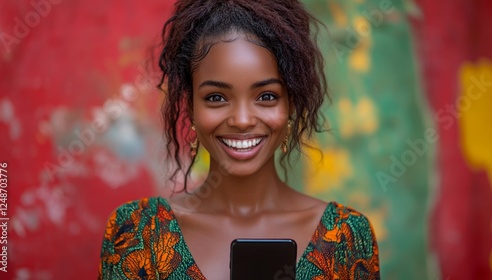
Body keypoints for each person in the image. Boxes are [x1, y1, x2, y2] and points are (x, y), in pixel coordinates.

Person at [98, 0, 380, 279]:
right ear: (191, 107)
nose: (242, 120)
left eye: (266, 96)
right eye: (216, 97)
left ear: (290, 105)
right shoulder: (137, 233)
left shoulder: (346, 238)